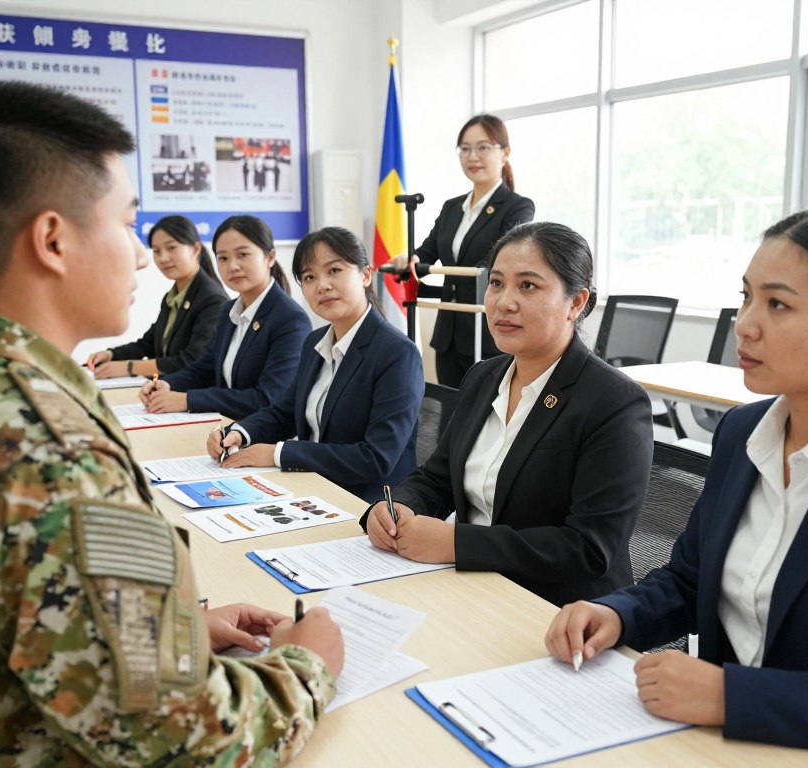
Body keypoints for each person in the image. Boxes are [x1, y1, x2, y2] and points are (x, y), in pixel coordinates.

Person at [0, 81, 343, 765]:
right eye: (128, 224)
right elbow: (185, 741)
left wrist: (176, 627)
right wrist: (307, 668)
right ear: (52, 239)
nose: (142, 254)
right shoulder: (52, 457)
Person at [545, 203, 808, 766]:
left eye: (778, 304)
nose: (744, 323)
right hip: (712, 744)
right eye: (746, 296)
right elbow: (691, 581)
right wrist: (620, 613)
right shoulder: (743, 432)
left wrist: (731, 697)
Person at [366, 222, 653, 605]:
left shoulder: (614, 402)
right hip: (472, 589)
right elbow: (437, 479)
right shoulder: (483, 377)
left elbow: (587, 548)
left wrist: (455, 543)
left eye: (528, 286)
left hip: (559, 611)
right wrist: (396, 506)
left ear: (576, 303)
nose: (504, 302)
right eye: (497, 283)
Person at [209, 226, 424, 502]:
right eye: (309, 277)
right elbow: (284, 414)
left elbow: (375, 459)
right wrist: (237, 433)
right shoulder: (315, 342)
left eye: (334, 271)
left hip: (369, 507)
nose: (322, 285)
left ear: (366, 275)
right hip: (312, 489)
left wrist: (278, 453)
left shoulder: (397, 353)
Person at [393, 114, 535, 387]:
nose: (473, 156)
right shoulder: (451, 207)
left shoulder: (517, 206)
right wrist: (412, 259)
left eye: (483, 147)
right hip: (448, 333)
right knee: (450, 413)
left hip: (487, 331)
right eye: (465, 149)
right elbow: (428, 249)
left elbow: (499, 257)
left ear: (504, 153)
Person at [139, 215, 310, 421]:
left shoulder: (291, 320)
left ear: (270, 257)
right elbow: (205, 368)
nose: (232, 266)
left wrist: (188, 400)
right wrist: (166, 383)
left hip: (263, 441)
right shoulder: (230, 311)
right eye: (223, 258)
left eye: (243, 254)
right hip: (226, 429)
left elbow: (267, 399)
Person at [86, 215, 229, 378]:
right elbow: (149, 344)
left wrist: (130, 367)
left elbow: (192, 361)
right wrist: (111, 354)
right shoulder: (173, 297)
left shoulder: (213, 300)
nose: (163, 258)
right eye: (156, 251)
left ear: (196, 249)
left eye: (171, 248)